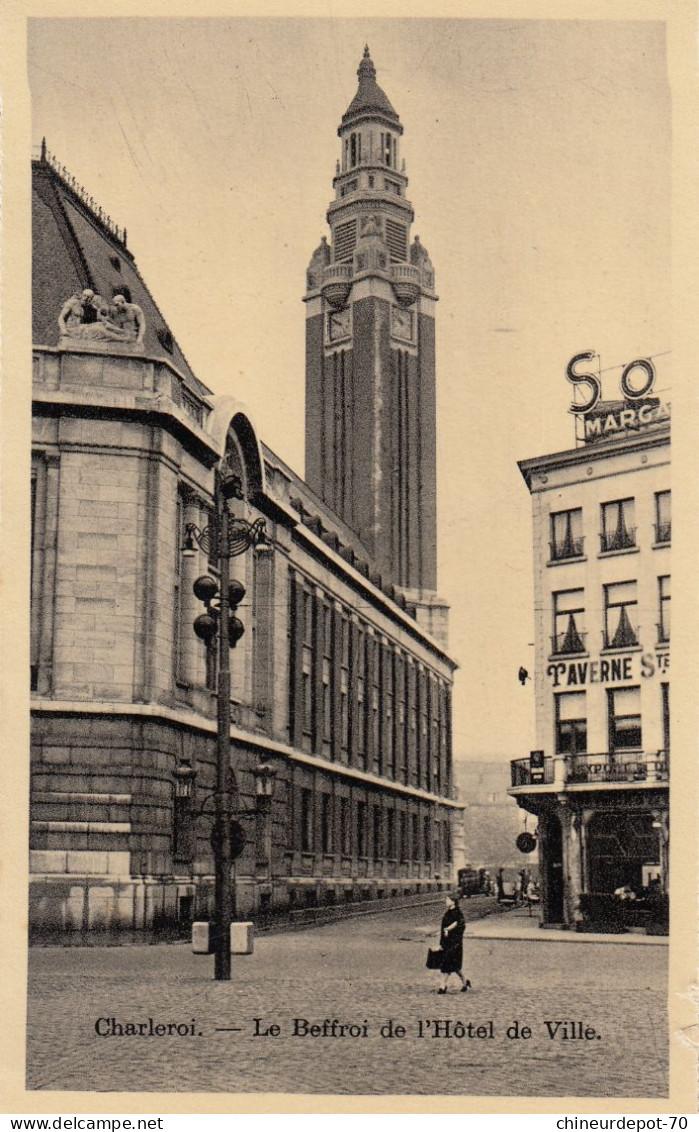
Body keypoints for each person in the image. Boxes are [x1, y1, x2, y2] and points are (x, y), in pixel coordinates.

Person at [436, 895, 471, 994]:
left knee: (448, 964)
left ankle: (442, 986)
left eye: (448, 899)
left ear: (453, 901)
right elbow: (443, 928)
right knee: (455, 966)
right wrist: (441, 943)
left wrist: (449, 930)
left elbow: (461, 925)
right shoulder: (447, 913)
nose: (446, 901)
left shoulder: (458, 913)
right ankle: (465, 981)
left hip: (455, 943)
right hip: (447, 943)